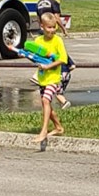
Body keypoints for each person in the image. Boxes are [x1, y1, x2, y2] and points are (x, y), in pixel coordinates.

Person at [31, 11, 68, 143]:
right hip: (43, 78)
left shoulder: (58, 40)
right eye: (49, 27)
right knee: (45, 104)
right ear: (42, 26)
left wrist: (49, 65)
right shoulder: (38, 40)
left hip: (54, 78)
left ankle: (44, 131)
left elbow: (63, 59)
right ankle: (58, 127)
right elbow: (35, 57)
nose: (52, 30)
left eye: (54, 27)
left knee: (46, 101)